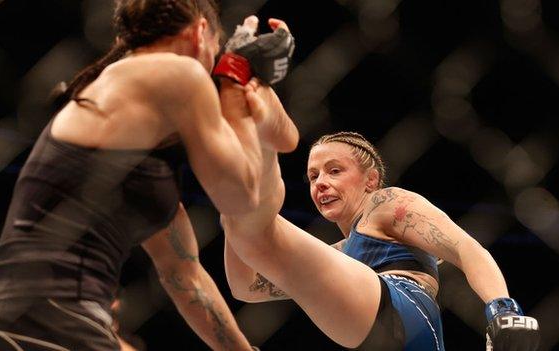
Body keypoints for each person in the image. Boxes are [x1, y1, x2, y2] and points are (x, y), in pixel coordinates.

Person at [0, 0, 292, 349]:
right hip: (54, 316)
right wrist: (234, 75)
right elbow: (240, 196)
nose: (210, 76)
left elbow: (184, 277)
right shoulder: (177, 72)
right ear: (200, 33)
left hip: (3, 315)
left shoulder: (135, 162)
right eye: (213, 56)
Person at [220, 80, 541, 349]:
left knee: (260, 224)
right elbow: (245, 287)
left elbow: (465, 247)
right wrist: (227, 213)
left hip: (405, 312)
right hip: (404, 338)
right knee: (248, 225)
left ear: (370, 179)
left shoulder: (386, 203)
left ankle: (265, 138)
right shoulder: (343, 255)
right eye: (313, 176)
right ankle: (245, 171)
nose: (321, 184)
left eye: (334, 171)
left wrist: (501, 309)